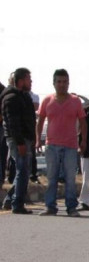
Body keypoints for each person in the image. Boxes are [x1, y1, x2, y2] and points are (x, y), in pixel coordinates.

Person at [36, 69, 87, 217]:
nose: (62, 84)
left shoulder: (75, 101)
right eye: (59, 81)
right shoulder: (47, 100)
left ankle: (71, 207)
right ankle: (50, 207)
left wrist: (83, 141)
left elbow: (83, 122)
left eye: (65, 82)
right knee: (51, 177)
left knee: (70, 178)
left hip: (70, 146)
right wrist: (38, 140)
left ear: (68, 83)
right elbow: (40, 122)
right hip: (51, 145)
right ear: (54, 83)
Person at [1, 68, 37, 214]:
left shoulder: (24, 96)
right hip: (18, 140)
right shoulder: (11, 98)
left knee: (23, 172)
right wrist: (20, 143)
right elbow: (13, 123)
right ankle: (17, 204)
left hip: (25, 139)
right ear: (21, 81)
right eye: (28, 79)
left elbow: (30, 119)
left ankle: (10, 200)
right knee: (22, 171)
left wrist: (33, 138)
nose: (31, 82)